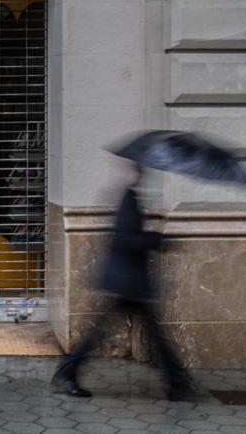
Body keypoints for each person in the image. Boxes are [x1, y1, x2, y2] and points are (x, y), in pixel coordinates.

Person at [52, 162, 193, 401]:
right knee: (118, 332)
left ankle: (176, 380)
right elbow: (126, 239)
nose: (143, 175)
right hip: (127, 281)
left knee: (144, 331)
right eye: (140, 171)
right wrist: (155, 240)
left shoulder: (130, 198)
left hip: (127, 280)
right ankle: (176, 380)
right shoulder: (129, 200)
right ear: (132, 173)